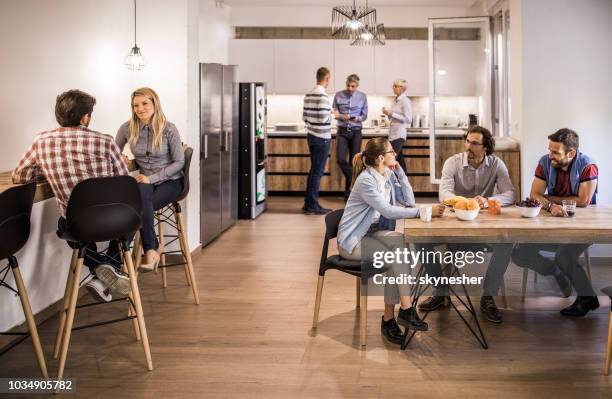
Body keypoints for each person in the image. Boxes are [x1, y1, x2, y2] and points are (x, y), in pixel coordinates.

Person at [12, 90, 130, 303]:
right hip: (116, 221)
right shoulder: (105, 141)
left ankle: (98, 270)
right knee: (132, 218)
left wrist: (48, 168)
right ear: (85, 117)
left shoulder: (41, 141)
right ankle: (110, 267)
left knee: (64, 222)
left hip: (78, 225)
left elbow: (20, 175)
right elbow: (123, 180)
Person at [337, 137, 445, 345]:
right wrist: (424, 211)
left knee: (402, 246)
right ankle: (405, 310)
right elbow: (388, 210)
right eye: (392, 153)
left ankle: (391, 318)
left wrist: (400, 172)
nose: (395, 155)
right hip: (352, 242)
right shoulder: (366, 180)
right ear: (380, 158)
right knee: (394, 257)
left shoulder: (386, 175)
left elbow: (408, 201)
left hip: (371, 235)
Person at [418, 126, 516, 323]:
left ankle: (488, 297)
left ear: (485, 147)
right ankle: (441, 292)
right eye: (467, 141)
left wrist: (487, 201)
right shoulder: (452, 163)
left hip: (485, 226)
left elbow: (511, 194)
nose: (468, 146)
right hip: (455, 221)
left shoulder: (497, 164)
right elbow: (444, 194)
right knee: (422, 241)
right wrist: (463, 202)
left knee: (506, 245)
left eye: (474, 143)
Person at [512, 128, 599, 317]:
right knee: (519, 253)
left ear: (571, 153)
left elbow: (584, 201)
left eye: (555, 152)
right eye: (549, 150)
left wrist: (548, 198)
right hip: (551, 224)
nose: (550, 155)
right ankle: (556, 271)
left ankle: (587, 299)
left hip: (583, 227)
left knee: (564, 256)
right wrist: (551, 206)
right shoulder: (544, 162)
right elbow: (534, 195)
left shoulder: (588, 165)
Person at [116, 87, 185, 272]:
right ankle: (151, 249)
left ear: (155, 103)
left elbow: (179, 162)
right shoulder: (126, 128)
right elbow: (113, 152)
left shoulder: (169, 128)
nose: (140, 108)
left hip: (170, 182)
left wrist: (152, 178)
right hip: (144, 184)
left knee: (135, 207)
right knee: (141, 192)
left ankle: (114, 262)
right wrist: (121, 157)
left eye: (145, 103)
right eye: (136, 105)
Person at [302, 67, 334, 215]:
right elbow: (323, 118)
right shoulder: (323, 96)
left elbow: (305, 118)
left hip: (311, 136)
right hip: (322, 138)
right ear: (326, 79)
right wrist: (333, 114)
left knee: (313, 170)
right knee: (317, 171)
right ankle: (313, 205)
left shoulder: (308, 94)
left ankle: (308, 203)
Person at [333, 74, 368, 201]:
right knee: (340, 159)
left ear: (357, 86)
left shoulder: (362, 96)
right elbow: (335, 113)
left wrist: (355, 118)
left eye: (353, 86)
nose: (350, 88)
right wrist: (343, 116)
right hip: (342, 131)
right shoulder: (338, 95)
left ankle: (349, 193)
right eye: (348, 85)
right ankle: (355, 181)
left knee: (354, 162)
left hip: (356, 131)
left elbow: (364, 115)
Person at [382, 79, 412, 173]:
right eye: (393, 86)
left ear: (401, 88)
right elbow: (392, 118)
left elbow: (408, 119)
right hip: (392, 134)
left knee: (389, 159)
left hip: (399, 135)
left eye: (395, 86)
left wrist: (392, 113)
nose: (393, 88)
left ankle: (387, 185)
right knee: (400, 162)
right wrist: (388, 113)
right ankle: (405, 185)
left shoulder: (405, 101)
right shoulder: (395, 100)